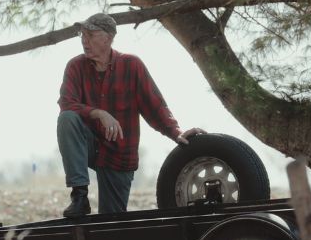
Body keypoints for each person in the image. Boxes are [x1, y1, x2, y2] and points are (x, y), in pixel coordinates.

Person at [58, 12, 204, 217]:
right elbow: (66, 103)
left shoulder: (131, 65)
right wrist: (99, 113)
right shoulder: (76, 65)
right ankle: (79, 195)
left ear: (107, 38)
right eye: (82, 35)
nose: (84, 40)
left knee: (112, 225)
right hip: (89, 145)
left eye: (90, 35)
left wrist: (176, 132)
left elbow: (155, 106)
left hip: (119, 154)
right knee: (67, 118)